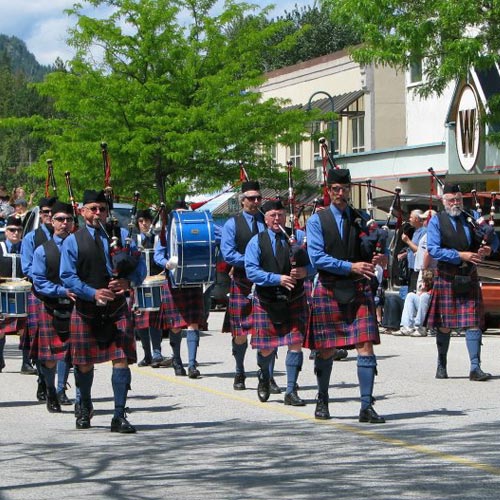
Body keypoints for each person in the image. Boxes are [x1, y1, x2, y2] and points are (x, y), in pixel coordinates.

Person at [60, 189, 146, 432]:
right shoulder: (72, 241)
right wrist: (92, 292)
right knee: (84, 363)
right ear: (83, 211)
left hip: (117, 307)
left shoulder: (123, 235)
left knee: (121, 359)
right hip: (87, 309)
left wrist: (129, 282)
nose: (98, 213)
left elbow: (140, 267)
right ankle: (84, 405)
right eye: (93, 209)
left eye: (103, 209)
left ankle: (119, 415)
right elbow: (67, 276)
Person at [306, 168, 387, 423]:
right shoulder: (316, 221)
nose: (341, 194)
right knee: (327, 349)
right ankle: (322, 399)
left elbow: (367, 250)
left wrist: (377, 258)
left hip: (357, 288)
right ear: (329, 191)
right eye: (336, 190)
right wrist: (349, 266)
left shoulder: (360, 219)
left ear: (350, 189)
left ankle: (366, 406)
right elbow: (316, 257)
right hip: (329, 286)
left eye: (345, 189)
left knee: (365, 345)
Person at [426, 183, 498, 381]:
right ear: (444, 201)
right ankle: (442, 363)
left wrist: (488, 249)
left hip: (469, 275)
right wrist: (461, 255)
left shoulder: (472, 217)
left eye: (458, 199)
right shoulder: (436, 221)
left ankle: (475, 368)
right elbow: (433, 249)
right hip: (447, 275)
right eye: (451, 200)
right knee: (444, 323)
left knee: (473, 321)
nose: (455, 203)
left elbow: (494, 238)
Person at [245, 200, 310, 405]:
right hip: (267, 299)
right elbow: (251, 271)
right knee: (266, 348)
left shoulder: (297, 237)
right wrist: (278, 278)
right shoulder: (256, 241)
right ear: (265, 219)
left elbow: (314, 262)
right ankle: (264, 374)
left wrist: (305, 271)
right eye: (272, 215)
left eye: (280, 215)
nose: (277, 219)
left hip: (295, 298)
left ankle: (290, 391)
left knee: (295, 344)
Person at [220, 180, 280, 393]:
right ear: (242, 200)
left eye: (258, 198)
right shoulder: (231, 224)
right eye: (251, 198)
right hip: (243, 281)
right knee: (241, 331)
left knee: (268, 330)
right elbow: (227, 253)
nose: (255, 202)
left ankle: (268, 376)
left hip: (266, 282)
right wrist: (252, 262)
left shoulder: (267, 222)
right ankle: (239, 370)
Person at [31, 201, 76, 413]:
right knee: (49, 358)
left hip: (77, 305)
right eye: (59, 219)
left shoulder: (80, 246)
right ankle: (50, 390)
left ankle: (62, 390)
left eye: (68, 219)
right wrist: (62, 291)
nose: (64, 223)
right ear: (52, 221)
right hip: (51, 305)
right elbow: (38, 280)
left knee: (71, 353)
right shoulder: (42, 251)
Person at [153, 201, 204, 379]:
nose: (182, 217)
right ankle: (177, 359)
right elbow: (158, 255)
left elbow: (213, 237)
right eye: (178, 213)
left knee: (193, 322)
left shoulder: (195, 229)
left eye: (185, 213)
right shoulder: (165, 233)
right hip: (174, 280)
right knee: (175, 325)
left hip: (193, 279)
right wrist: (165, 263)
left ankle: (192, 365)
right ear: (173, 215)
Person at [21, 196, 57, 400]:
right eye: (45, 212)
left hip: (63, 293)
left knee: (61, 343)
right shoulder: (31, 238)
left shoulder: (69, 236)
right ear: (41, 214)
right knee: (41, 342)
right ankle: (43, 380)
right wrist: (47, 279)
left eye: (52, 213)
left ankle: (57, 387)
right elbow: (27, 267)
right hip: (39, 294)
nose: (49, 216)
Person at [133, 209, 171, 368]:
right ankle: (147, 354)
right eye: (141, 221)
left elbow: (164, 258)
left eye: (146, 221)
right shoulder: (134, 240)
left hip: (155, 282)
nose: (144, 224)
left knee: (154, 319)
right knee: (140, 321)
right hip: (138, 283)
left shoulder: (157, 239)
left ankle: (157, 352)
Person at [0, 216, 27, 373]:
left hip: (23, 293)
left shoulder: (26, 248)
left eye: (19, 230)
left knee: (25, 329)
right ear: (6, 230)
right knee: (0, 329)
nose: (15, 233)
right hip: (2, 293)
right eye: (12, 230)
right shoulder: (0, 246)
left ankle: (26, 362)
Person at [395, 269, 434, 336]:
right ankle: (407, 327)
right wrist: (423, 291)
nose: (423, 283)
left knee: (424, 296)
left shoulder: (437, 281)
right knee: (410, 295)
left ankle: (420, 328)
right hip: (425, 308)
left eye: (424, 281)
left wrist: (425, 292)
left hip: (434, 307)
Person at [401, 209, 426, 292]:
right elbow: (413, 248)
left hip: (418, 269)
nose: (409, 219)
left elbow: (420, 250)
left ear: (417, 219)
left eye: (411, 217)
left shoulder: (424, 232)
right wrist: (405, 254)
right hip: (412, 268)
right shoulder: (416, 231)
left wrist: (407, 241)